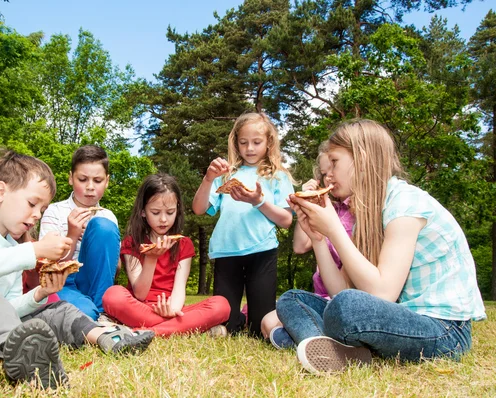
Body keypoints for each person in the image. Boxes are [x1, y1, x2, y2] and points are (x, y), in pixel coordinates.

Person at [0, 152, 154, 390]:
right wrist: (35, 249)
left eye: (42, 209)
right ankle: (21, 358)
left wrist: (40, 293)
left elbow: (10, 308)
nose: (36, 215)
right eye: (32, 204)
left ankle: (107, 337)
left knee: (57, 308)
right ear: (1, 192)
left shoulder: (14, 249)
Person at [278, 119, 486, 374]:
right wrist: (319, 239)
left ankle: (329, 342)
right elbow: (340, 288)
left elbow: (383, 293)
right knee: (292, 299)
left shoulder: (405, 205)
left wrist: (333, 228)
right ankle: (326, 348)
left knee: (346, 306)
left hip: (444, 330)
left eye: (334, 162)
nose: (327, 174)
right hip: (399, 317)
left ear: (362, 159)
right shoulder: (367, 213)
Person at [192, 112, 295, 337]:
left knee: (261, 330)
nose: (250, 148)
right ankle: (237, 319)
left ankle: (252, 316)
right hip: (227, 252)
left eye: (256, 142)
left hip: (262, 252)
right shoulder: (226, 174)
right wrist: (208, 178)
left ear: (268, 143)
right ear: (235, 143)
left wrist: (258, 201)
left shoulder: (278, 176)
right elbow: (199, 209)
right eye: (243, 142)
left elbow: (286, 220)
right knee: (226, 325)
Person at [102, 174, 231, 336]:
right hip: (140, 308)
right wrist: (151, 258)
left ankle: (143, 332)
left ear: (177, 209)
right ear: (143, 211)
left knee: (222, 305)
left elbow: (179, 289)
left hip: (173, 309)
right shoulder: (131, 243)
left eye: (170, 212)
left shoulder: (184, 244)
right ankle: (186, 330)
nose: (163, 219)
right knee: (112, 295)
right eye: (155, 212)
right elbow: (140, 294)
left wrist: (172, 309)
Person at [261, 141, 355, 348]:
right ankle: (313, 339)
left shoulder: (355, 213)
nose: (329, 176)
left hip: (344, 295)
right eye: (324, 172)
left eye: (333, 168)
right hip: (321, 294)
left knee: (276, 320)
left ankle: (312, 340)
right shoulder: (327, 208)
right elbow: (300, 246)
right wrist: (306, 206)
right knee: (267, 321)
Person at [39, 145, 120, 320]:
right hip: (63, 282)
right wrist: (73, 235)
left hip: (96, 283)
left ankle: (102, 311)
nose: (90, 187)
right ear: (71, 178)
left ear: (107, 181)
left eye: (97, 181)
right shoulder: (54, 211)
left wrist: (96, 242)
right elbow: (47, 265)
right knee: (85, 313)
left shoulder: (108, 217)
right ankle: (92, 313)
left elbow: (115, 267)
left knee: (102, 227)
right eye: (83, 179)